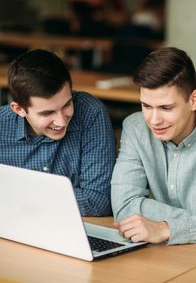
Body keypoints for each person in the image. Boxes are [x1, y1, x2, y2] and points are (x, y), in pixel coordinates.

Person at [111, 46, 196, 245]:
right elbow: (124, 206)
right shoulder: (135, 128)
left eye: (166, 108)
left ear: (193, 100)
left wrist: (167, 228)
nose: (154, 120)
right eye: (146, 106)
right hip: (161, 255)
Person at [0, 49, 116, 216]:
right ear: (19, 109)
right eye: (47, 113)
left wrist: (19, 196)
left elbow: (98, 201)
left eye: (67, 104)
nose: (61, 121)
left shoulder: (91, 112)